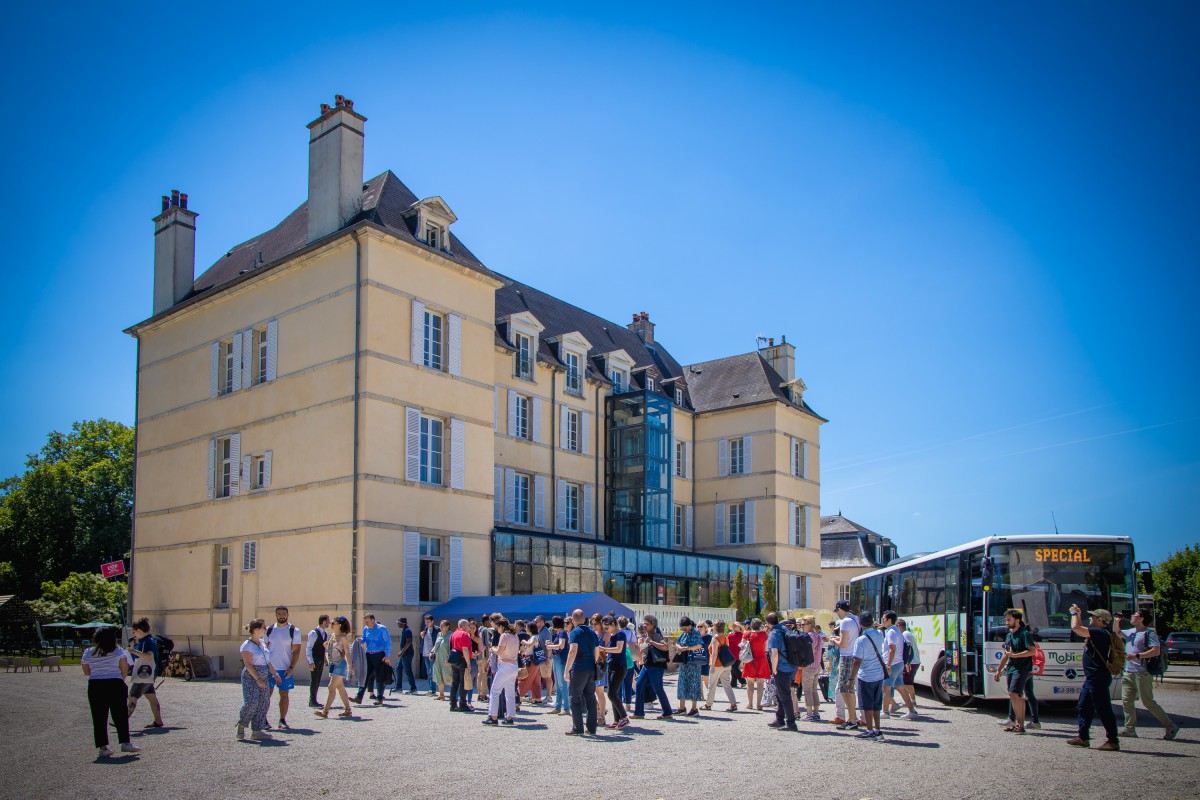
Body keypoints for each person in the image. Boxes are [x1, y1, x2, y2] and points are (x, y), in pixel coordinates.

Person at [1065, 605, 1120, 751]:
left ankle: (1113, 740)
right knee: (1084, 706)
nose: (1090, 618)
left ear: (1101, 620)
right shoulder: (1098, 632)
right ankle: (1083, 737)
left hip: (1098, 677)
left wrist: (1074, 613)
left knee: (1104, 709)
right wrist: (1079, 613)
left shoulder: (1101, 633)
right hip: (1092, 678)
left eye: (1093, 616)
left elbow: (1076, 628)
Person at [1117, 609, 1178, 740]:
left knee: (1148, 702)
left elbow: (1155, 651)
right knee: (1126, 701)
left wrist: (1137, 655)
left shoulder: (1149, 634)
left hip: (1142, 673)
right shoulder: (1130, 632)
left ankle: (1170, 725)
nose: (1132, 617)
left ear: (1141, 619)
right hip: (1128, 672)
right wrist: (1117, 620)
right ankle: (1129, 729)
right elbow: (1117, 633)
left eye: (1135, 615)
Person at [82, 627, 139, 757]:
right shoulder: (118, 651)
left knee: (99, 717)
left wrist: (99, 672)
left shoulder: (88, 652)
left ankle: (103, 747)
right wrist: (119, 679)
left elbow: (86, 671)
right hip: (115, 683)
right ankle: (125, 742)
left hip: (96, 684)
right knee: (120, 715)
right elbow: (124, 669)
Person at [237, 618, 281, 741]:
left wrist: (275, 674)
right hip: (251, 677)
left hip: (264, 676)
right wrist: (257, 679)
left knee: (264, 702)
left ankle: (257, 730)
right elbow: (248, 664)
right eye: (263, 627)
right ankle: (241, 725)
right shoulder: (247, 645)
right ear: (256, 629)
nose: (265, 629)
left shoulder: (262, 644)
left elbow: (268, 662)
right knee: (252, 703)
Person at [993, 609, 1035, 734]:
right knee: (1016, 695)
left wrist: (1016, 656)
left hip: (1022, 668)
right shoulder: (1009, 635)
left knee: (1014, 693)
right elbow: (1006, 654)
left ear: (1017, 620)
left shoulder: (1024, 634)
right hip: (1011, 668)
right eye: (1006, 620)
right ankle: (1018, 723)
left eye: (1009, 620)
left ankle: (1019, 724)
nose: (1006, 622)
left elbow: (1032, 651)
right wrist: (999, 670)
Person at [848, 611, 888, 741]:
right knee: (876, 704)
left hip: (866, 675)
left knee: (866, 705)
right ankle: (878, 729)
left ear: (860, 624)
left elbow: (857, 661)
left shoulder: (861, 640)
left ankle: (869, 730)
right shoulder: (880, 635)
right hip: (879, 674)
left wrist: (851, 679)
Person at [564, 608, 601, 735]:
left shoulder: (575, 633)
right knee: (590, 697)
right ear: (584, 619)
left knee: (575, 698)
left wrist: (566, 669)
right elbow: (597, 652)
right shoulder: (592, 632)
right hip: (591, 668)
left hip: (578, 668)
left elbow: (573, 651)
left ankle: (577, 728)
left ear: (573, 620)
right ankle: (591, 728)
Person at [265, 606, 303, 727]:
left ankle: (282, 719)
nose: (282, 616)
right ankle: (263, 719)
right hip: (270, 668)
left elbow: (297, 651)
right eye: (279, 614)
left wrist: (291, 667)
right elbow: (264, 649)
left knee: (284, 694)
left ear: (288, 615)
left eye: (284, 614)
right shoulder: (269, 630)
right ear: (276, 615)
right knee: (266, 695)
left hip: (285, 668)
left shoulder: (294, 630)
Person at [632, 614, 674, 720]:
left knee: (658, 689)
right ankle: (639, 712)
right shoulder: (647, 636)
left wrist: (651, 642)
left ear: (652, 625)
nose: (644, 626)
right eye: (644, 623)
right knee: (639, 686)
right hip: (648, 665)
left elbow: (665, 646)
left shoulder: (655, 635)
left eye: (647, 624)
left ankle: (667, 712)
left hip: (655, 666)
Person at [126, 617, 165, 728]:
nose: (134, 634)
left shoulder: (148, 641)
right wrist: (133, 648)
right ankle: (158, 721)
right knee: (151, 696)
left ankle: (122, 721)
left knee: (132, 696)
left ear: (139, 630)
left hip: (144, 674)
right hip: (148, 673)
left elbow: (148, 656)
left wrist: (133, 650)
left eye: (134, 632)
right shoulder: (143, 641)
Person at [829, 600, 861, 726]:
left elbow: (843, 644)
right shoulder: (855, 619)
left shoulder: (845, 622)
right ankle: (853, 718)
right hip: (854, 655)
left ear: (840, 609)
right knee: (849, 688)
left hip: (847, 656)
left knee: (845, 689)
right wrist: (838, 639)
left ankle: (852, 719)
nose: (837, 614)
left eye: (837, 611)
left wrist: (834, 640)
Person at [316, 616, 355, 718]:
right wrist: (326, 646)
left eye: (333, 623)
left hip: (340, 665)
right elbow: (332, 650)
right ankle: (348, 709)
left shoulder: (343, 638)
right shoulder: (333, 636)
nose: (331, 625)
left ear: (339, 625)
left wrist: (350, 666)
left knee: (331, 687)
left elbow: (347, 652)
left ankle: (325, 711)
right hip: (333, 664)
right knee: (340, 688)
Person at [765, 612, 798, 731]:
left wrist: (773, 669)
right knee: (780, 693)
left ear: (768, 623)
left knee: (784, 695)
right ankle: (779, 718)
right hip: (792, 665)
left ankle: (791, 723)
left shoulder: (774, 634)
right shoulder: (784, 630)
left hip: (781, 667)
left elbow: (774, 653)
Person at [483, 617, 519, 726]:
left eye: (498, 627)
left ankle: (493, 717)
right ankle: (510, 716)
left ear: (502, 627)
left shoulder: (504, 636)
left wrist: (492, 648)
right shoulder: (515, 636)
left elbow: (499, 651)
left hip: (504, 665)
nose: (497, 629)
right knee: (510, 692)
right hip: (513, 665)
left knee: (495, 691)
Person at [881, 611, 916, 719]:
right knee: (900, 687)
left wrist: (888, 665)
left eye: (884, 619)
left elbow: (892, 649)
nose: (882, 621)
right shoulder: (896, 631)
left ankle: (885, 712)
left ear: (889, 620)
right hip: (898, 663)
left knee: (886, 687)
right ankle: (912, 710)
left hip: (893, 664)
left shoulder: (891, 632)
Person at [353, 614, 391, 706]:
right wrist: (360, 640)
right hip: (368, 654)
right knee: (365, 675)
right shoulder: (366, 629)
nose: (366, 623)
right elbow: (364, 639)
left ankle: (379, 698)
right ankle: (359, 697)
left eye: (367, 621)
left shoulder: (382, 629)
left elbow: (388, 642)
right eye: (365, 621)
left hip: (379, 654)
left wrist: (387, 656)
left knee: (379, 677)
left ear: (373, 620)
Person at [600, 615, 630, 729]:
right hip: (612, 665)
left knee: (611, 694)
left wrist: (604, 649)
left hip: (620, 667)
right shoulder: (612, 635)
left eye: (606, 627)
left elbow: (619, 649)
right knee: (614, 694)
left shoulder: (620, 634)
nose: (605, 630)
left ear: (612, 624)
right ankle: (616, 720)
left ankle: (624, 718)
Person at [703, 620, 738, 711]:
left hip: (717, 664)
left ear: (715, 627)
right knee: (727, 684)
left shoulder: (715, 638)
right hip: (726, 664)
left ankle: (708, 704)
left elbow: (714, 653)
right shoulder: (725, 637)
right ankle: (733, 703)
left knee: (712, 685)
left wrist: (712, 666)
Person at [675, 616, 705, 716]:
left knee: (693, 683)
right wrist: (679, 647)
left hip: (693, 663)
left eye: (685, 628)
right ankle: (682, 707)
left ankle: (694, 708)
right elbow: (677, 642)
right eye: (682, 629)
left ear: (689, 625)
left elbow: (699, 645)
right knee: (682, 683)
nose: (684, 630)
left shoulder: (695, 632)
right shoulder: (684, 634)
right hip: (684, 662)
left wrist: (687, 648)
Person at [741, 618, 770, 711]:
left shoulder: (746, 634)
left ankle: (750, 703)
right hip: (761, 659)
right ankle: (758, 704)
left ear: (751, 625)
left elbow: (742, 647)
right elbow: (766, 648)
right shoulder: (764, 635)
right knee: (760, 683)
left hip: (750, 660)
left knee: (750, 683)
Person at [545, 616, 572, 715]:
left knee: (562, 684)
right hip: (557, 658)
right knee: (559, 684)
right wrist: (551, 644)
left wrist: (550, 646)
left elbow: (561, 645)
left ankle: (566, 708)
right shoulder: (560, 633)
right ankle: (558, 706)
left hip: (560, 659)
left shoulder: (562, 633)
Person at [797, 616, 822, 721]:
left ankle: (809, 712)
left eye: (803, 624)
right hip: (817, 665)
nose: (802, 627)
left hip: (809, 665)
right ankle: (815, 712)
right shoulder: (817, 635)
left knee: (807, 689)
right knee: (813, 689)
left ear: (810, 625)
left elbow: (809, 651)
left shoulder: (809, 636)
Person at [448, 619, 474, 712]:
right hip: (462, 660)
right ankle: (462, 704)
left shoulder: (453, 634)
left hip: (454, 660)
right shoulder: (464, 634)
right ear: (463, 626)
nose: (469, 628)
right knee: (463, 682)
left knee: (455, 682)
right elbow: (465, 649)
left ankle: (453, 704)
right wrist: (468, 663)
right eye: (468, 626)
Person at [306, 614, 330, 708]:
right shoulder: (313, 633)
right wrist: (310, 661)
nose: (329, 623)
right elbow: (309, 648)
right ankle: (312, 700)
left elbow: (324, 649)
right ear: (324, 622)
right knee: (314, 680)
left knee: (318, 680)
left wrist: (325, 659)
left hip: (320, 658)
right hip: (314, 659)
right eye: (328, 621)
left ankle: (314, 699)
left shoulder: (325, 633)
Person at [896, 619, 920, 714]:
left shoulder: (905, 634)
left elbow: (908, 648)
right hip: (914, 661)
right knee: (908, 681)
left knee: (906, 682)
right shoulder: (908, 633)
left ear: (899, 626)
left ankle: (911, 701)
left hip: (911, 662)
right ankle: (912, 700)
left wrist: (907, 662)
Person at [388, 617, 417, 695]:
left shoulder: (407, 630)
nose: (398, 624)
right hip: (404, 654)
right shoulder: (404, 630)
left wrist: (402, 651)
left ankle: (413, 688)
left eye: (399, 623)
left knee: (408, 670)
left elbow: (409, 642)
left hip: (407, 654)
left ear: (402, 624)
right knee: (398, 669)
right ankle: (398, 687)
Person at [534, 615, 555, 702]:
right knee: (545, 676)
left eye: (537, 622)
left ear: (542, 622)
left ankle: (549, 696)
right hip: (542, 657)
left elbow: (548, 646)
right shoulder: (541, 631)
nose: (535, 623)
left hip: (546, 657)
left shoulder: (545, 632)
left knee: (548, 677)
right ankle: (547, 696)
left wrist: (547, 657)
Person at [430, 619, 452, 701]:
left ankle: (454, 694)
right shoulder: (439, 634)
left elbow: (452, 648)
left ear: (447, 626)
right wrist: (432, 652)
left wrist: (450, 659)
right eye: (440, 626)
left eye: (443, 626)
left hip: (446, 659)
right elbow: (435, 645)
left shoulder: (451, 635)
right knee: (438, 676)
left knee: (448, 676)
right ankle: (441, 694)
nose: (441, 627)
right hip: (438, 659)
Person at [420, 615, 438, 695]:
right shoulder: (425, 629)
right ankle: (430, 688)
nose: (426, 623)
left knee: (432, 671)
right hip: (425, 653)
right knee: (428, 672)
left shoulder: (437, 630)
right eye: (425, 622)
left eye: (428, 622)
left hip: (433, 654)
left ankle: (432, 689)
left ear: (432, 621)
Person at [728, 621, 747, 688]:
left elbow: (729, 637)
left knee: (734, 668)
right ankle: (733, 683)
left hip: (736, 654)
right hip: (735, 653)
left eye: (735, 626)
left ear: (739, 627)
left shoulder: (736, 635)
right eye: (733, 626)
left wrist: (729, 635)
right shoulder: (740, 634)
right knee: (733, 669)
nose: (733, 627)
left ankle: (743, 681)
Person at [698, 620, 713, 696]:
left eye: (701, 626)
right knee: (699, 677)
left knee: (706, 676)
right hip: (697, 658)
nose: (699, 628)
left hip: (706, 659)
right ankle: (701, 694)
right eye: (698, 626)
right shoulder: (696, 637)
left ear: (705, 628)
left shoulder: (709, 637)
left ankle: (709, 693)